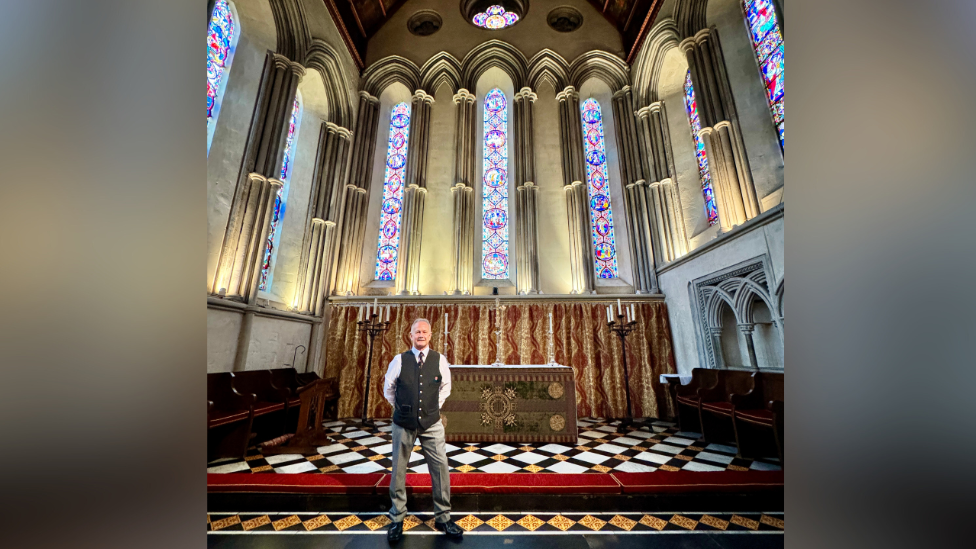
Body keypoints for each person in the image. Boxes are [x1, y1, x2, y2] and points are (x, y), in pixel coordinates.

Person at [383, 318, 463, 542]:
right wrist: (402, 408)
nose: (421, 335)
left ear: (430, 335)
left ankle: (443, 517)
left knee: (440, 467)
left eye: (424, 332)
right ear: (410, 335)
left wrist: (432, 408)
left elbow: (446, 387)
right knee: (399, 468)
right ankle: (397, 518)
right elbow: (388, 388)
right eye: (417, 331)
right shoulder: (399, 360)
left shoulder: (440, 359)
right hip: (403, 423)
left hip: (432, 423)